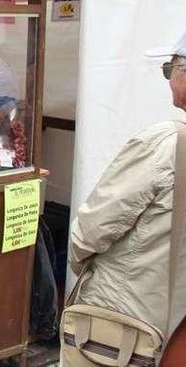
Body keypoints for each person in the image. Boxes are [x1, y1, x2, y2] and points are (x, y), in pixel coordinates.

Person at [69, 31, 186, 364]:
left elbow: (88, 233)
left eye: (171, 67)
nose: (169, 78)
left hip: (131, 323)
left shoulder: (165, 144)